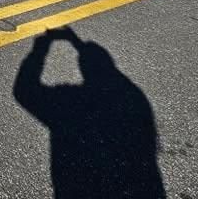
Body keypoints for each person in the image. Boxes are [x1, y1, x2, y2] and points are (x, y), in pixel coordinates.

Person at [13, 27, 166, 199]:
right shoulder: (133, 96)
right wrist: (77, 44)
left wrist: (41, 46)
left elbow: (24, 91)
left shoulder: (72, 101)